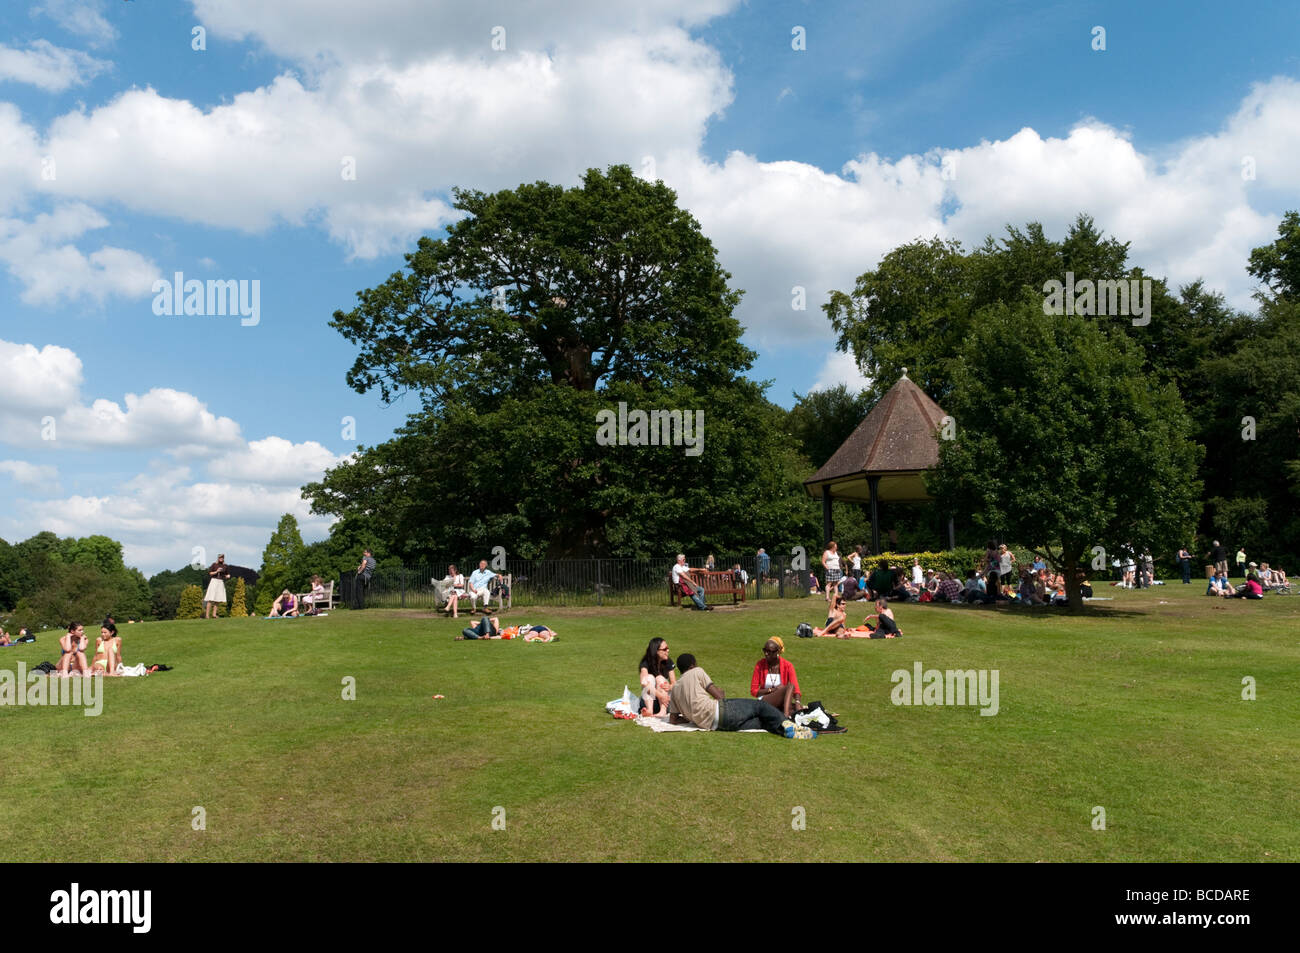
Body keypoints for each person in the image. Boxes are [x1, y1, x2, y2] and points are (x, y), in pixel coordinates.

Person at [667, 653, 815, 738]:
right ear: (692, 665)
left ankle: (787, 733)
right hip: (721, 710)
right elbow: (719, 696)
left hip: (714, 725)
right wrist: (721, 692)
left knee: (761, 722)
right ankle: (788, 724)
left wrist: (691, 716)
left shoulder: (675, 689)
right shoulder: (696, 671)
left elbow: (673, 719)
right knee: (759, 706)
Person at [750, 638, 802, 717]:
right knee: (789, 687)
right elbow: (754, 691)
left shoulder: (788, 666)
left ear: (777, 652)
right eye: (765, 650)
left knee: (798, 709)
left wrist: (798, 702)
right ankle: (785, 716)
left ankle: (785, 713)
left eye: (769, 651)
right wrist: (773, 690)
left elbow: (796, 689)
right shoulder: (760, 665)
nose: (766, 654)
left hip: (780, 702)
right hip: (764, 700)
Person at [638, 637, 676, 716]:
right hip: (651, 700)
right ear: (656, 651)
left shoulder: (668, 661)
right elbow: (643, 682)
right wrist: (660, 695)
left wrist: (670, 686)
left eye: (668, 648)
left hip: (665, 701)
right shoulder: (645, 663)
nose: (668, 651)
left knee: (660, 678)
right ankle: (649, 710)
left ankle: (663, 711)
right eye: (665, 649)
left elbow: (674, 683)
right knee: (649, 678)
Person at [204, 554, 231, 619]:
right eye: (220, 557)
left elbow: (227, 574)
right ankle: (207, 615)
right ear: (218, 558)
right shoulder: (214, 564)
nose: (221, 558)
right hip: (214, 581)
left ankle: (214, 615)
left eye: (222, 557)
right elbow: (210, 573)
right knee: (210, 598)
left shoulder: (225, 566)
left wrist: (228, 576)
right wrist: (216, 571)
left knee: (217, 599)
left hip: (221, 582)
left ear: (223, 558)